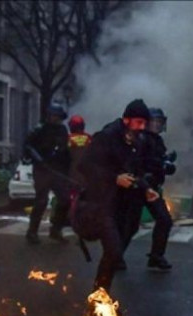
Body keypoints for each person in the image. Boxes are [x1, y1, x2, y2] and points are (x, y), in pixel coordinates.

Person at [73, 99, 156, 290]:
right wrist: (114, 178)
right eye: (138, 122)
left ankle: (100, 295)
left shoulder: (138, 141)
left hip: (122, 204)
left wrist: (146, 188)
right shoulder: (106, 137)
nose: (142, 127)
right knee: (114, 251)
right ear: (126, 120)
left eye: (144, 123)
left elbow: (136, 170)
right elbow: (85, 166)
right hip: (101, 203)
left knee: (114, 254)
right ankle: (99, 297)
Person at [24, 103, 71, 243]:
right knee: (41, 201)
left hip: (57, 169)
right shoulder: (39, 129)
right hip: (42, 169)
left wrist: (67, 167)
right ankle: (32, 232)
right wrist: (39, 160)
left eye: (58, 116)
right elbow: (28, 145)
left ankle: (56, 229)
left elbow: (65, 150)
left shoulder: (63, 130)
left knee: (65, 200)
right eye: (53, 116)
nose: (55, 119)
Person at [138, 107, 177, 270]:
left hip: (152, 188)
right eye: (155, 121)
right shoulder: (141, 139)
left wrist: (166, 163)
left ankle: (156, 256)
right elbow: (137, 163)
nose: (158, 124)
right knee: (128, 224)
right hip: (138, 187)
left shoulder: (158, 141)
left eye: (160, 122)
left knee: (165, 220)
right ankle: (114, 256)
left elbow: (158, 161)